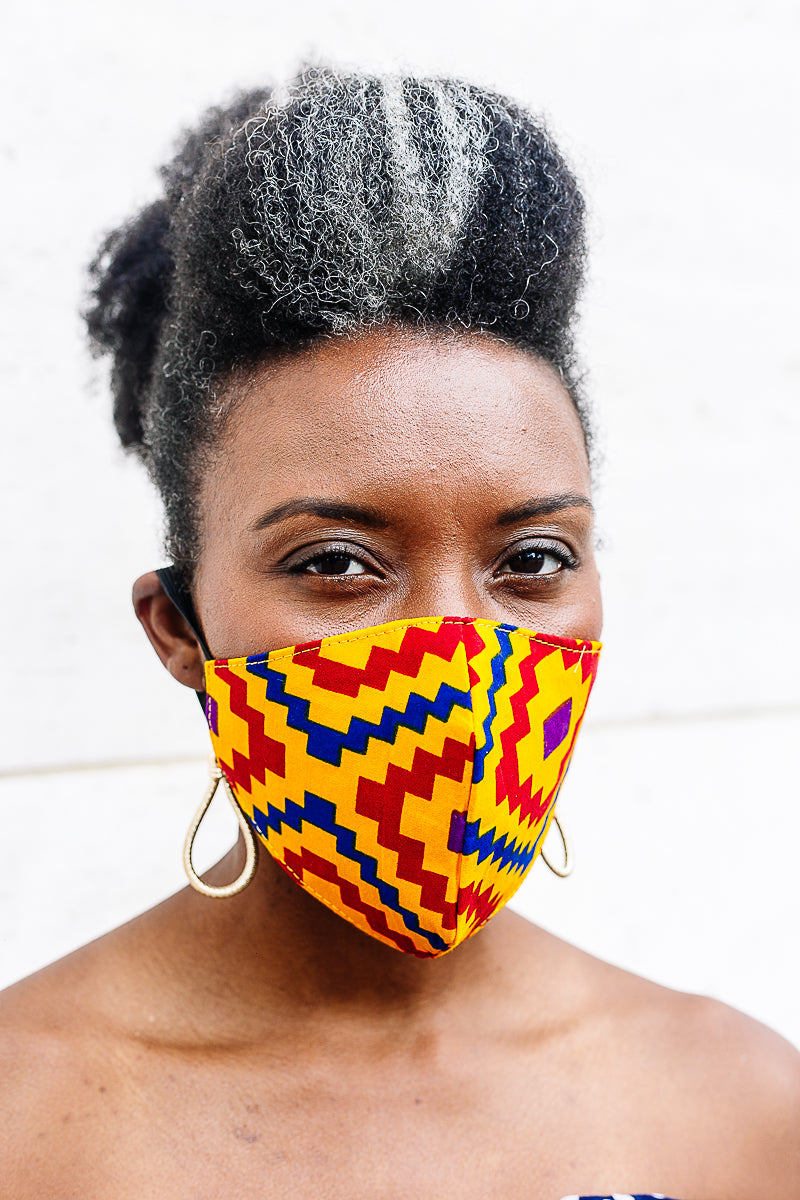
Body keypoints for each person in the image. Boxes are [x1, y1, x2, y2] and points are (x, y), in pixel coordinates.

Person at [1, 67, 798, 1199]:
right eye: (336, 563)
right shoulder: (23, 1119)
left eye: (531, 560)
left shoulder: (742, 1110)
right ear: (179, 628)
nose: (455, 649)